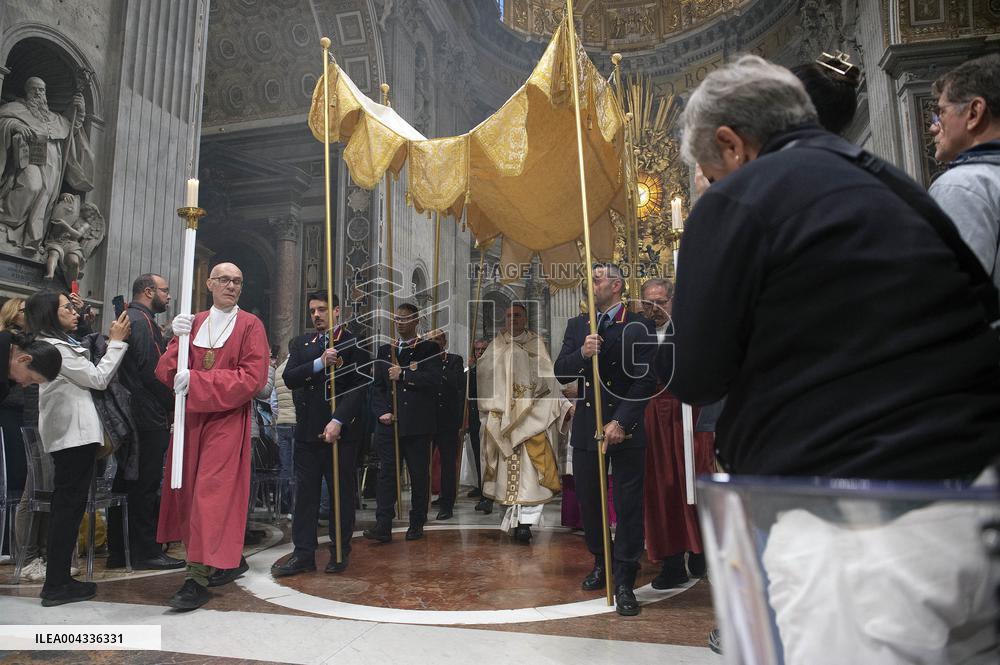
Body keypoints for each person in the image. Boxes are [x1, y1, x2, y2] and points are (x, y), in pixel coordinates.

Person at [673, 54, 1000, 663]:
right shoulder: (896, 181)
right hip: (977, 499)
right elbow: (981, 300)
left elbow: (698, 373)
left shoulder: (738, 199)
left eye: (709, 169)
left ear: (731, 145)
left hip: (852, 521)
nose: (711, 182)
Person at [155, 262, 269, 611]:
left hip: (226, 421)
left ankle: (195, 579)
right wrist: (175, 340)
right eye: (224, 280)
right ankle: (224, 560)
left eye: (237, 281)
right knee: (188, 492)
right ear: (209, 283)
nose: (231, 286)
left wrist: (199, 382)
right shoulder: (195, 323)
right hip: (190, 421)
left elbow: (252, 379)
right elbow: (168, 372)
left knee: (211, 495)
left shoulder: (250, 325)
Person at [554, 264, 656, 616]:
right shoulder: (579, 326)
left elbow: (645, 380)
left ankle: (626, 576)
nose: (591, 283)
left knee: (628, 505)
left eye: (597, 278)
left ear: (616, 284)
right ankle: (601, 561)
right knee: (591, 501)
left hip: (625, 428)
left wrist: (621, 422)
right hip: (587, 426)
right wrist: (582, 353)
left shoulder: (638, 325)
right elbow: (561, 371)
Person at [27, 291, 130, 606]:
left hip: (72, 436)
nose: (73, 311)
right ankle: (56, 585)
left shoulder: (57, 344)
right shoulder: (55, 347)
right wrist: (116, 342)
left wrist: (86, 320)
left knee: (67, 510)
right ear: (49, 313)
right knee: (67, 510)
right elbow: (98, 379)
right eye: (67, 307)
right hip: (73, 437)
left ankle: (59, 580)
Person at [272, 291, 369, 577]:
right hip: (306, 431)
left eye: (323, 310)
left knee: (340, 496)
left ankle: (340, 551)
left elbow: (359, 386)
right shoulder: (302, 344)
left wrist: (339, 420)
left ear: (337, 311)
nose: (317, 315)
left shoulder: (354, 342)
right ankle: (303, 553)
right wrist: (319, 363)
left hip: (340, 434)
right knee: (305, 497)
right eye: (313, 310)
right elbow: (290, 378)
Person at [639, 278, 714, 588]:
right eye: (648, 303)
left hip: (690, 412)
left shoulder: (692, 329)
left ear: (672, 301)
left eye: (660, 301)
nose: (655, 309)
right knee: (662, 486)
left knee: (695, 481)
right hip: (652, 414)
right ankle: (672, 561)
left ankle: (702, 552)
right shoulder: (637, 333)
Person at [106, 274, 184, 571]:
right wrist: (173, 400)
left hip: (137, 413)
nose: (168, 297)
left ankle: (119, 551)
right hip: (145, 415)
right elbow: (152, 371)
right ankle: (144, 551)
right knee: (144, 484)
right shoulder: (140, 322)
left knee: (127, 481)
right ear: (149, 291)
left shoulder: (137, 319)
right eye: (165, 291)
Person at [477, 304, 569, 542]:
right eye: (508, 316)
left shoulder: (536, 344)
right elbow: (484, 377)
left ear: (525, 319)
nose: (512, 319)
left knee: (530, 476)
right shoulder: (494, 346)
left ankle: (525, 524)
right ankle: (509, 517)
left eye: (517, 315)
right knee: (503, 474)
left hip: (530, 419)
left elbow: (549, 379)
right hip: (502, 417)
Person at [928, 54, 1000, 311]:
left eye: (941, 113)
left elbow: (953, 300)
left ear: (974, 112)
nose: (934, 128)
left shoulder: (962, 186)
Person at [365, 302, 441, 543]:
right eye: (397, 319)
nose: (400, 323)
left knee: (419, 475)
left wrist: (405, 375)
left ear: (416, 320)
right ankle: (383, 524)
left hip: (417, 424)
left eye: (405, 319)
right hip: (390, 423)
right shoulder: (385, 350)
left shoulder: (429, 348)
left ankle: (417, 521)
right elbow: (377, 388)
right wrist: (381, 412)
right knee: (387, 474)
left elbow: (434, 380)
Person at [0, 77, 94, 252]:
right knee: (32, 186)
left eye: (41, 90)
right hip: (28, 159)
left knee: (46, 197)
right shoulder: (16, 109)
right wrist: (15, 126)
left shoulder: (54, 117)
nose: (38, 93)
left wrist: (79, 111)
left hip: (53, 163)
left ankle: (32, 240)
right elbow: (3, 122)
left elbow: (69, 130)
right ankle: (7, 221)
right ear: (26, 91)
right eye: (33, 89)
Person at [427, 329, 464, 521]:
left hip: (448, 420)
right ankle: (423, 501)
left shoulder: (454, 360)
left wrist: (439, 366)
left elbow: (457, 382)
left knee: (448, 464)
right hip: (426, 419)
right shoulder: (421, 362)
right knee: (422, 464)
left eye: (438, 339)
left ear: (445, 341)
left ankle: (446, 503)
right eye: (431, 340)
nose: (434, 343)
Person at [466, 338, 488, 504]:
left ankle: (488, 490)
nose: (480, 352)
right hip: (475, 418)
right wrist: (471, 369)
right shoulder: (470, 371)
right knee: (476, 454)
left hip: (490, 417)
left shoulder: (494, 369)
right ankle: (480, 485)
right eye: (477, 350)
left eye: (483, 349)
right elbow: (466, 389)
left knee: (488, 456)